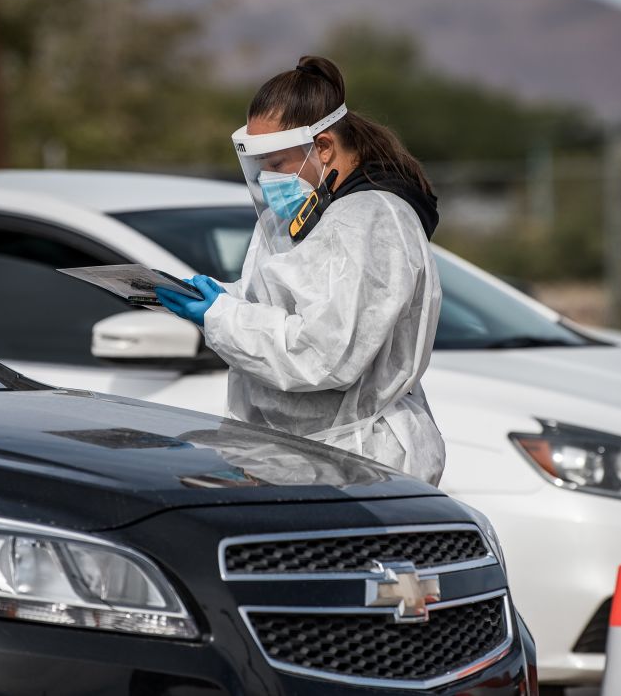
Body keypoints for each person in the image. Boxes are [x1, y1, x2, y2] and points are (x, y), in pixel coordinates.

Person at [156, 55, 445, 485]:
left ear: (324, 147)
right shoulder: (306, 213)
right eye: (261, 167)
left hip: (355, 463)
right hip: (294, 457)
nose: (268, 179)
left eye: (276, 165)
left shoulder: (369, 218)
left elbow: (324, 355)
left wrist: (220, 316)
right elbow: (281, 303)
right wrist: (218, 297)